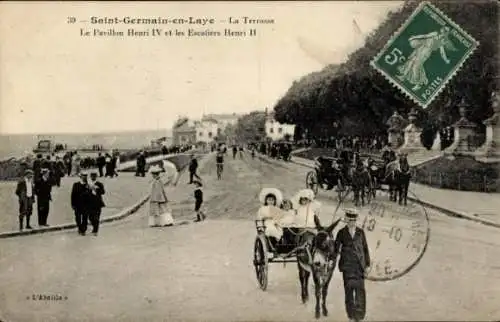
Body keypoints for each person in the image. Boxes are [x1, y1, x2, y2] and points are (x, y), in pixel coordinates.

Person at [334, 209, 371, 322]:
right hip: (347, 266)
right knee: (349, 291)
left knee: (360, 291)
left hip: (359, 266)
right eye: (350, 220)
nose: (352, 223)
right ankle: (350, 315)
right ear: (346, 220)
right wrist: (332, 260)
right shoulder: (341, 233)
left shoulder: (360, 232)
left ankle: (359, 316)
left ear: (356, 221)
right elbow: (336, 249)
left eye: (354, 220)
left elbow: (365, 249)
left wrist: (367, 265)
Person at [88, 170, 105, 236]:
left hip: (97, 202)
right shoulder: (88, 184)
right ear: (90, 177)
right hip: (90, 203)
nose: (93, 177)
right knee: (90, 217)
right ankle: (94, 227)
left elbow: (103, 192)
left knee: (96, 217)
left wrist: (96, 189)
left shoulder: (99, 184)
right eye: (92, 176)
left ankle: (95, 230)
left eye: (94, 176)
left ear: (96, 176)